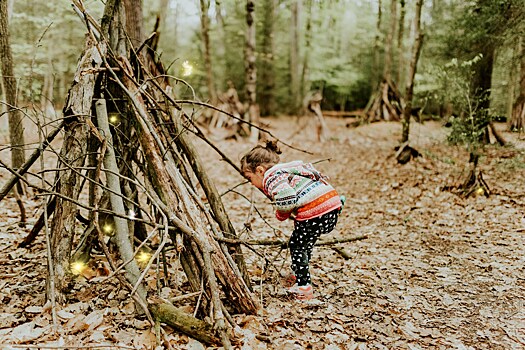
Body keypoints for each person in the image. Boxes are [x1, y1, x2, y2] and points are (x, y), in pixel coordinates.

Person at [240, 141, 343, 301]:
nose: (252, 184)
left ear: (260, 170)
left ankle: (304, 287)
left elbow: (287, 199)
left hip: (315, 212)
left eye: (250, 178)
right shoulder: (287, 170)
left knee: (296, 245)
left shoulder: (271, 177)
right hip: (331, 205)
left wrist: (281, 214)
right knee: (306, 243)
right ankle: (299, 272)